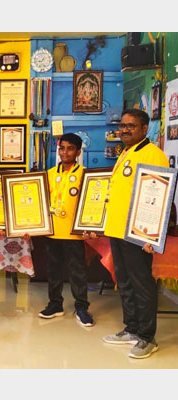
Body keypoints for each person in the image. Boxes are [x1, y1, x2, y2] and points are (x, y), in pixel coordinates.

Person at [101, 109, 168, 359]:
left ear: (144, 129)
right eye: (123, 125)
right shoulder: (127, 152)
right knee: (125, 282)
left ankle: (148, 338)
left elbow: (158, 197)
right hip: (117, 229)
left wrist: (151, 237)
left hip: (138, 234)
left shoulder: (153, 155)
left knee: (142, 285)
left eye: (131, 126)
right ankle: (132, 329)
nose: (125, 129)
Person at [37, 133, 94, 327]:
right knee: (53, 270)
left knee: (77, 272)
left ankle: (81, 307)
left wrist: (89, 227)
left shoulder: (85, 175)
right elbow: (40, 201)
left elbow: (91, 204)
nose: (65, 152)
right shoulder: (49, 173)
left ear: (78, 152)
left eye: (70, 149)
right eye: (62, 148)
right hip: (52, 231)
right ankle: (55, 304)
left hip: (74, 233)